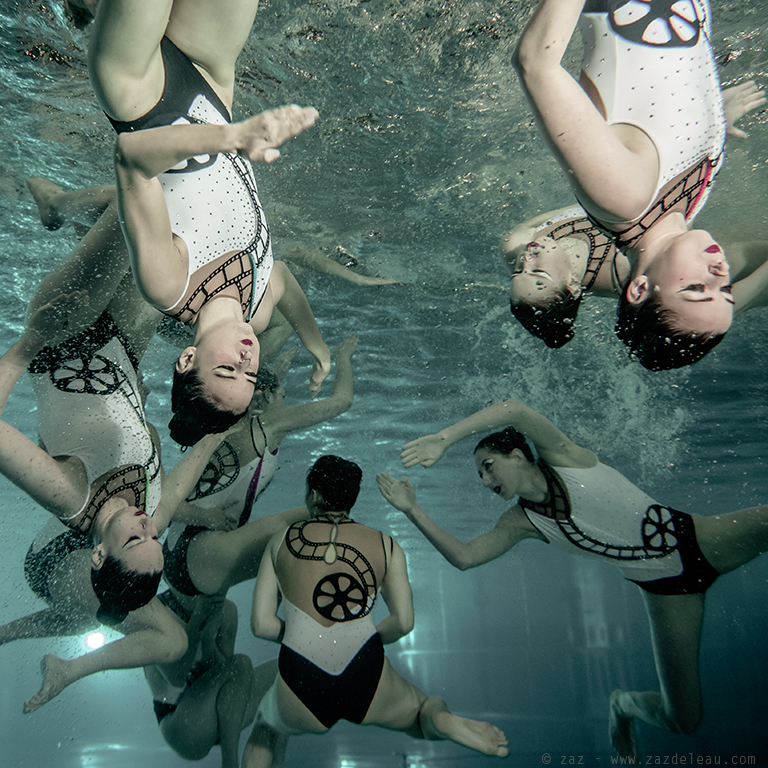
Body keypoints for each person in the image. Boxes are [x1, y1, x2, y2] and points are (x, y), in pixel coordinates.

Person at [378, 399, 768, 759]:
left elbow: (514, 409)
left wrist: (444, 438)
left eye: (488, 466)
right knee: (684, 719)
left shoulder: (565, 457)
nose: (484, 480)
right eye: (480, 473)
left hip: (701, 540)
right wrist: (412, 509)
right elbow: (464, 558)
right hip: (666, 592)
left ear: (517, 455)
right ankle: (623, 704)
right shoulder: (523, 521)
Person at [0, 185, 222, 712]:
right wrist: (223, 421)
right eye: (155, 537)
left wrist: (19, 352)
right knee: (171, 224)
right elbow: (186, 475)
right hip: (125, 345)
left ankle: (59, 200)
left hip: (65, 333)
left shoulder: (72, 496)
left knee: (140, 196)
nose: (151, 525)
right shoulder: (147, 516)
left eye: (136, 538)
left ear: (98, 552)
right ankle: (63, 204)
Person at [84, 0, 330, 443]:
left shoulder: (169, 286)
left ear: (187, 359)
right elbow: (285, 279)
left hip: (139, 92)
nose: (247, 359)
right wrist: (317, 345)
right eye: (250, 376)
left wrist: (232, 137)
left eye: (226, 369)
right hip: (212, 83)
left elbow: (130, 159)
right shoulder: (257, 312)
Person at [511, 0, 767, 368]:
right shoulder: (687, 206)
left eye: (696, 289)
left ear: (640, 289)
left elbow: (535, 62)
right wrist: (713, 119)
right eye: (724, 291)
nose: (721, 274)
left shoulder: (624, 199)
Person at [245, 455, 510, 767]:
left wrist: (304, 636)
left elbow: (262, 625)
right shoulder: (387, 544)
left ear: (314, 494)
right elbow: (404, 622)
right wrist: (367, 639)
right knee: (422, 712)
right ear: (352, 498)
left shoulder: (281, 541)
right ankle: (442, 721)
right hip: (365, 669)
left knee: (266, 726)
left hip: (300, 676)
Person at [183, 334, 358, 531]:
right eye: (282, 396)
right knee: (323, 513)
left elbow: (258, 401)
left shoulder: (232, 428)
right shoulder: (265, 425)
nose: (285, 406)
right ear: (262, 397)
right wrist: (343, 357)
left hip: (187, 541)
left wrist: (275, 376)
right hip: (203, 539)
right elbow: (343, 401)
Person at [144, 591, 283, 768]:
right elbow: (176, 677)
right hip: (179, 725)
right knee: (241, 663)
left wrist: (209, 640)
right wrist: (197, 622)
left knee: (287, 671)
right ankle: (229, 763)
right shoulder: (155, 611)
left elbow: (231, 686)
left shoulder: (227, 610)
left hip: (217, 715)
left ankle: (273, 762)